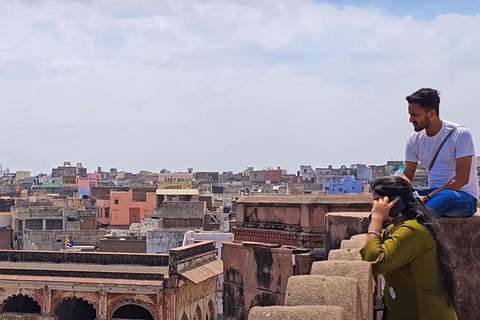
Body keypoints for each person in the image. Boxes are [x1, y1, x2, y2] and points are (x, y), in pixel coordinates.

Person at [361, 177, 457, 320]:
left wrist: (376, 219)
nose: (374, 206)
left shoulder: (411, 231)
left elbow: (374, 260)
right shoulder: (396, 229)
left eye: (378, 201)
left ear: (395, 202)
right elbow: (369, 255)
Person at [402, 88, 478, 218]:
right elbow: (406, 176)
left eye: (415, 115)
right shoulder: (414, 140)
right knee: (389, 192)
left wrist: (429, 197)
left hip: (462, 196)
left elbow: (461, 179)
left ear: (431, 113)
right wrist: (399, 190)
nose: (410, 120)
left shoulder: (459, 134)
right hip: (433, 193)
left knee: (444, 196)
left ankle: (414, 226)